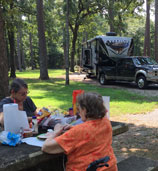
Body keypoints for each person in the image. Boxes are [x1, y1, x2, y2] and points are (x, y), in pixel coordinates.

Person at [42, 92, 118, 171]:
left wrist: (56, 132)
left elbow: (47, 147)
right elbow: (92, 131)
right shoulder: (106, 122)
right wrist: (75, 128)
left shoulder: (79, 131)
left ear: (85, 110)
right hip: (109, 167)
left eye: (79, 108)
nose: (78, 111)